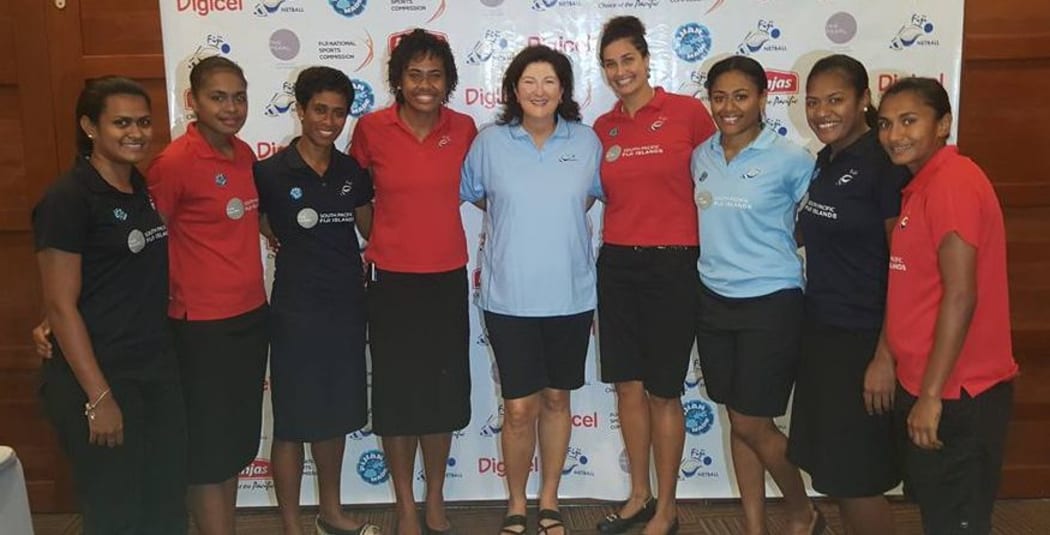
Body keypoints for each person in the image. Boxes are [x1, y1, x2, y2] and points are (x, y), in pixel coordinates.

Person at [32, 76, 187, 533]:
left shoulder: (140, 188)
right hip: (99, 378)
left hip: (153, 368)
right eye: (121, 123)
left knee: (164, 502)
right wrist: (99, 398)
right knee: (115, 510)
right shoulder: (68, 199)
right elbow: (61, 307)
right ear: (89, 127)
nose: (135, 132)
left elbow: (111, 280)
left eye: (143, 121)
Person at [460, 45, 602, 535]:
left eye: (549, 81)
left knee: (558, 401)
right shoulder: (490, 142)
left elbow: (591, 197)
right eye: (528, 81)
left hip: (571, 296)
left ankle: (549, 500)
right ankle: (517, 502)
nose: (539, 91)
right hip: (509, 298)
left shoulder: (586, 142)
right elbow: (477, 195)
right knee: (519, 408)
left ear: (563, 90)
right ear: (513, 90)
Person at [591, 16, 716, 535]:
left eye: (628, 60)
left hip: (674, 263)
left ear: (647, 60)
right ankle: (638, 494)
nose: (621, 71)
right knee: (628, 387)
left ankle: (667, 505)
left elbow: (719, 174)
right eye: (610, 63)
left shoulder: (689, 115)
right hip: (618, 263)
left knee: (665, 391)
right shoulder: (603, 129)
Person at [348, 29, 476, 535]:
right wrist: (383, 240)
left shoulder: (465, 128)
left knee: (441, 396)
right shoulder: (371, 129)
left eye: (435, 75)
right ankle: (405, 507)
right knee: (399, 399)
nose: (425, 84)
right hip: (392, 282)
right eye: (415, 74)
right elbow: (357, 196)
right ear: (398, 79)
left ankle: (436, 500)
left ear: (448, 82)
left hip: (446, 277)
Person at [877, 77, 1018, 535]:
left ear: (944, 124)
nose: (895, 134)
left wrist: (932, 395)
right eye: (886, 124)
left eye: (909, 121)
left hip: (959, 392)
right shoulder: (921, 186)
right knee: (940, 516)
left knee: (958, 522)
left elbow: (962, 293)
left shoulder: (953, 183)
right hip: (928, 384)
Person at [690, 56, 823, 535]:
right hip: (713, 299)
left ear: (763, 98)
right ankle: (753, 526)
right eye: (719, 96)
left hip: (771, 301)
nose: (729, 107)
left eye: (741, 96)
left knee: (751, 422)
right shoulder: (701, 154)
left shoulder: (790, 159)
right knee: (736, 418)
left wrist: (772, 248)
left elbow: (818, 225)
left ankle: (802, 509)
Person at [254, 66, 381, 535]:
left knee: (334, 416)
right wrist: (279, 239)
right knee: (290, 423)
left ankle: (331, 513)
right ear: (301, 110)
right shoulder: (268, 172)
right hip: (295, 312)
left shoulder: (352, 172)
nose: (329, 121)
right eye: (320, 110)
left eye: (339, 113)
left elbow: (369, 229)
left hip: (347, 308)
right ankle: (292, 526)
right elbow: (257, 220)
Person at [787, 54, 909, 535]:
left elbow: (903, 269)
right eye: (813, 102)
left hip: (864, 340)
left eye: (835, 99)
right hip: (823, 333)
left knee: (858, 477)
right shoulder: (828, 159)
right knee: (836, 472)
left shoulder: (884, 165)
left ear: (864, 100)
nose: (821, 112)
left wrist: (885, 355)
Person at [147, 56, 269, 535]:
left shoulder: (245, 155)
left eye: (239, 96)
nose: (231, 107)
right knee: (206, 449)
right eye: (218, 97)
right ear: (192, 101)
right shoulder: (174, 163)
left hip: (249, 317)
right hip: (199, 325)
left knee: (235, 443)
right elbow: (145, 246)